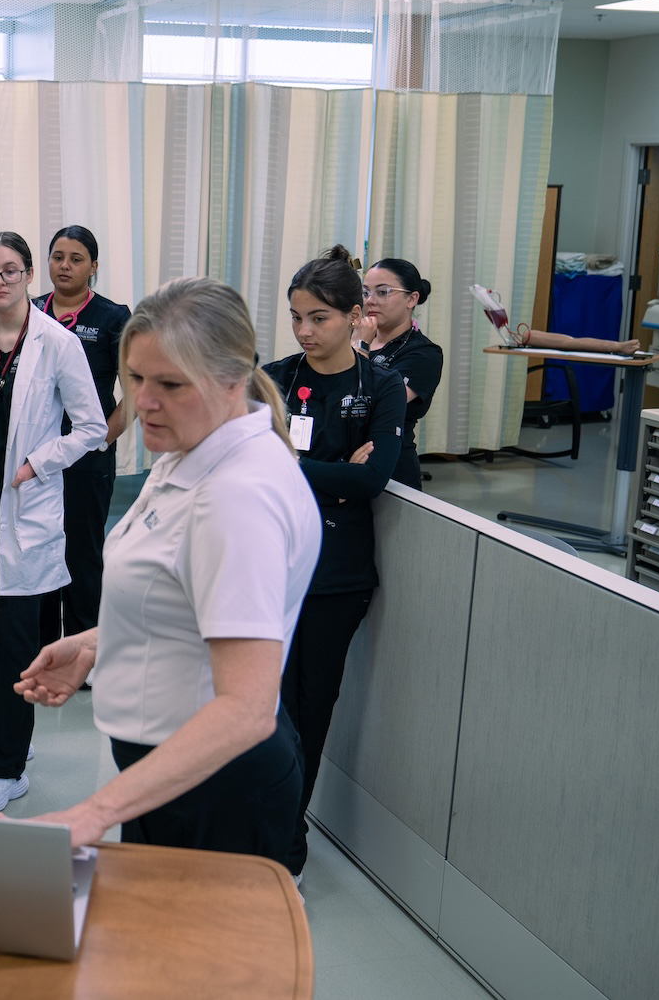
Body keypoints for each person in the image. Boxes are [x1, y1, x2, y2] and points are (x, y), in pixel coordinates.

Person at [15, 278, 320, 861]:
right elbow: (191, 597)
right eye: (134, 379)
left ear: (233, 379)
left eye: (170, 385)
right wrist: (101, 642)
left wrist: (94, 811)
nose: (142, 402)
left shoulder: (236, 496)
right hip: (173, 774)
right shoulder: (192, 446)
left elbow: (246, 708)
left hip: (216, 789)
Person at [0, 231, 105, 814]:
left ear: (28, 275)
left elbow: (90, 427)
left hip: (26, 516)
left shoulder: (58, 344)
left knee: (14, 643)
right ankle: (3, 741)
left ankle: (6, 769)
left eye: (10, 270)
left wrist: (39, 462)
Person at [261, 246, 404, 877]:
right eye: (295, 317)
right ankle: (252, 834)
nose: (303, 331)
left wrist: (291, 466)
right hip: (266, 567)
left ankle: (286, 852)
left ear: (354, 315)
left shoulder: (382, 386)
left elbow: (372, 480)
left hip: (334, 580)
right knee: (260, 713)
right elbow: (251, 465)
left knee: (305, 719)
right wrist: (326, 473)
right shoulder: (273, 378)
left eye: (317, 318)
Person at [34, 226, 131, 648]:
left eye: (76, 259)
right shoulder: (31, 310)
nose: (65, 266)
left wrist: (101, 441)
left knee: (81, 553)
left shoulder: (113, 317)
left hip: (87, 454)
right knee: (38, 548)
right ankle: (42, 646)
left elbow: (136, 388)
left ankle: (84, 650)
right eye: (58, 257)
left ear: (93, 266)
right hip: (36, 454)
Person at [359, 258, 444, 490]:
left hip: (391, 466)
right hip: (343, 457)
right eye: (366, 292)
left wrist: (362, 347)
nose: (370, 301)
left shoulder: (424, 353)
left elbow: (376, 402)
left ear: (412, 299)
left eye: (383, 292)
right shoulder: (354, 339)